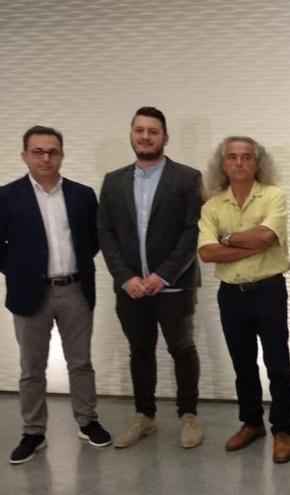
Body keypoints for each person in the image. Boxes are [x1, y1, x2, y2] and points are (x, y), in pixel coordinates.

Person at [1, 126, 110, 464]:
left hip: (75, 289)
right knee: (31, 368)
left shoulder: (81, 195)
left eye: (52, 151)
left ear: (61, 155)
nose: (46, 157)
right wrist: (18, 271)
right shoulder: (5, 197)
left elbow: (93, 241)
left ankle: (87, 421)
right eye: (38, 151)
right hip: (29, 292)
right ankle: (33, 432)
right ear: (25, 156)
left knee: (81, 362)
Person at [97, 107, 203, 449]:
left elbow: (192, 232)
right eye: (139, 130)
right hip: (131, 289)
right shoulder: (113, 181)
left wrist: (163, 274)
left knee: (181, 349)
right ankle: (145, 417)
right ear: (131, 135)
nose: (145, 136)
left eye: (153, 131)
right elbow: (106, 233)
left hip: (173, 286)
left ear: (165, 138)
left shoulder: (188, 178)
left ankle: (188, 416)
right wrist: (126, 277)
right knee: (139, 350)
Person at [198, 136, 290, 464]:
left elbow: (268, 236)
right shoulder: (211, 206)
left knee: (278, 362)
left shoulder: (274, 196)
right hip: (231, 296)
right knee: (243, 364)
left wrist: (227, 240)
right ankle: (252, 422)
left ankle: (282, 429)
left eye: (246, 157)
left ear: (257, 163)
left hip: (268, 290)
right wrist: (245, 243)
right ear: (223, 164)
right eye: (232, 157)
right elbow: (207, 252)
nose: (239, 163)